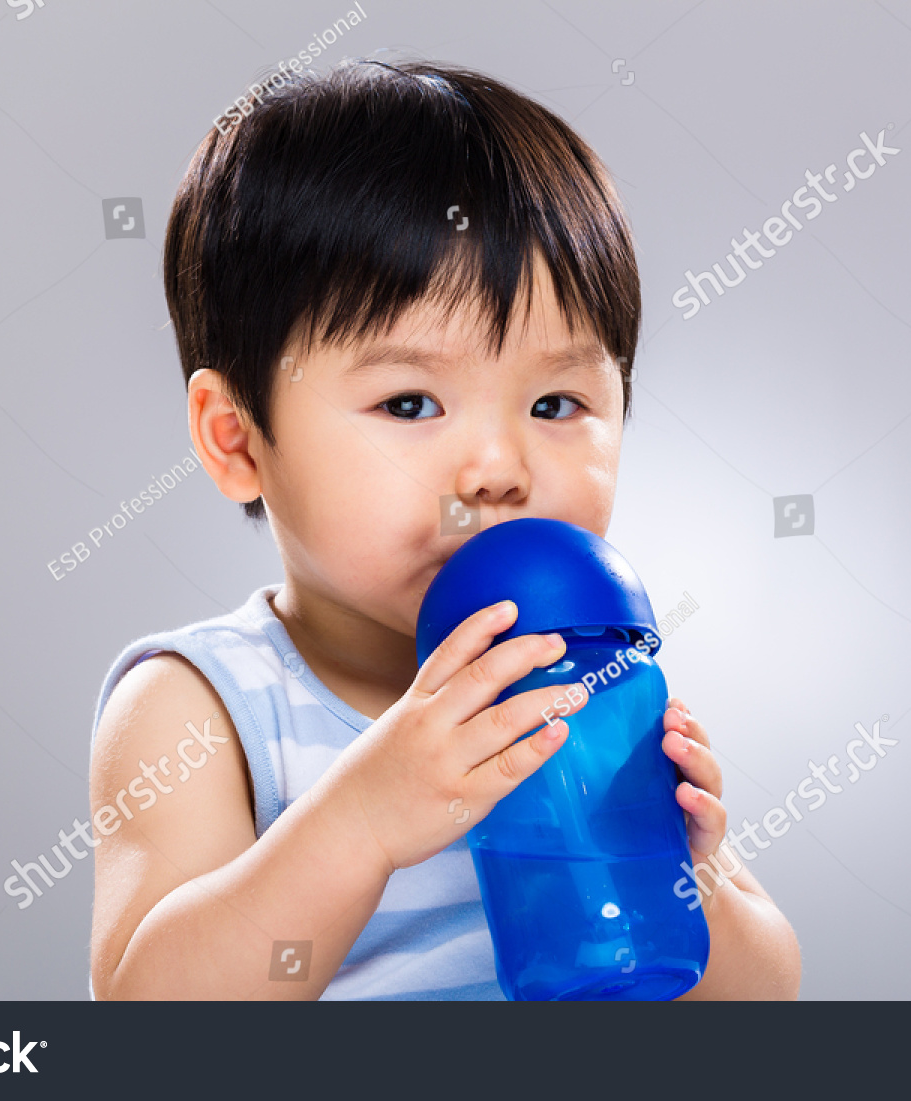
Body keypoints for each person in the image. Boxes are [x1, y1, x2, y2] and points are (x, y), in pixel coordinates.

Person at [88, 58, 800, 1000]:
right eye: (412, 401)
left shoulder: (590, 686)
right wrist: (361, 823)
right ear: (239, 440)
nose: (498, 469)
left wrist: (694, 885)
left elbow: (763, 1002)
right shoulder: (205, 706)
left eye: (556, 401)